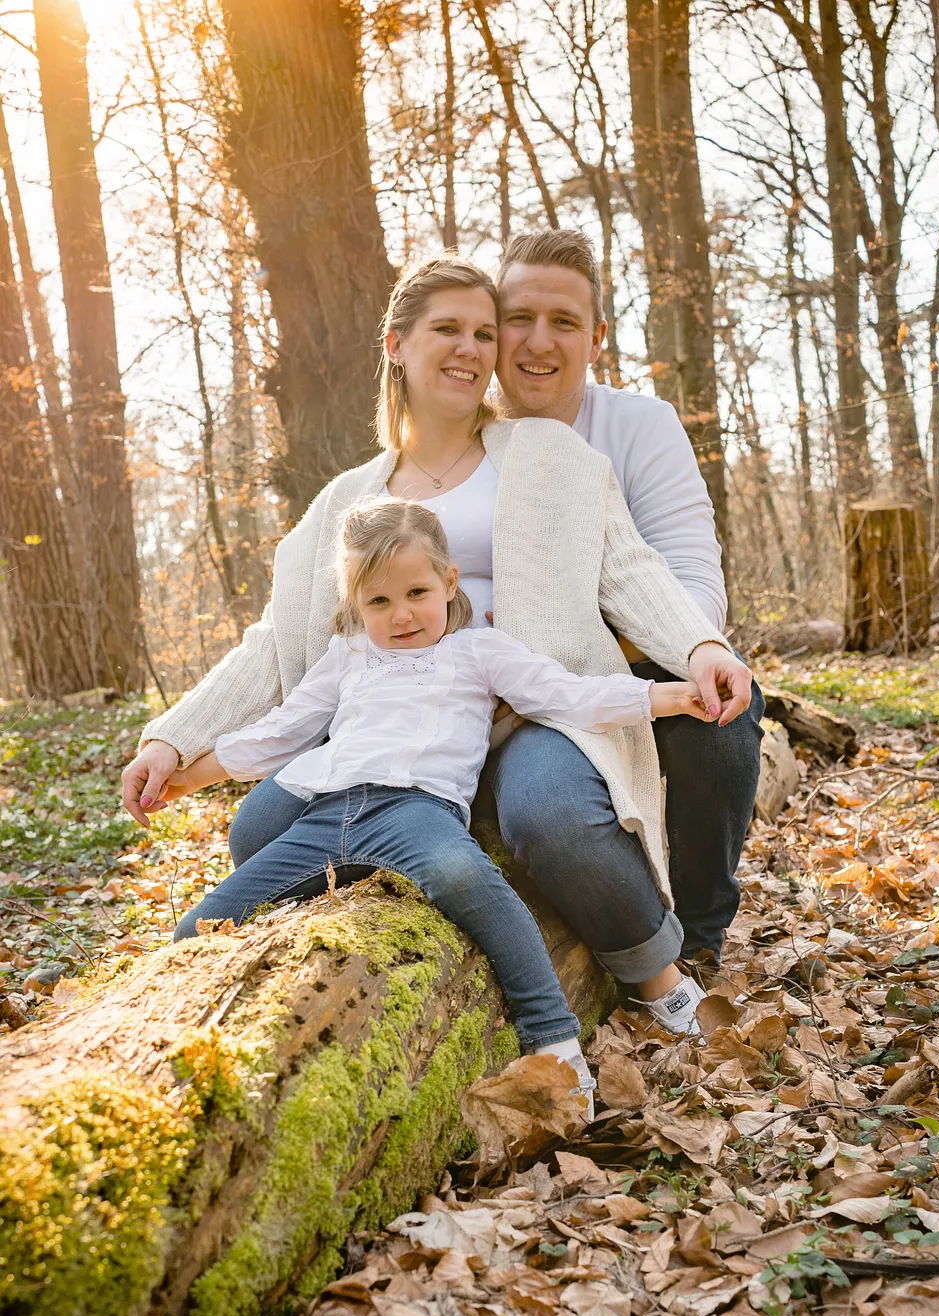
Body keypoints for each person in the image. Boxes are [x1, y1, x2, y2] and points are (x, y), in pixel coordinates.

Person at [121, 255, 744, 1036]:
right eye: (447, 328)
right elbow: (276, 642)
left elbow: (630, 568)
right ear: (395, 345)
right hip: (391, 729)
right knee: (256, 829)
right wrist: (173, 740)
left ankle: (658, 980)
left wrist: (698, 646)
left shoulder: (548, 453)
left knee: (549, 812)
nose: (472, 349)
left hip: (529, 711)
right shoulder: (348, 500)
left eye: (484, 332)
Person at [163, 501, 717, 1113]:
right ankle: (178, 1044)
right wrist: (193, 774)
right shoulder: (348, 655)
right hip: (327, 814)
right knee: (199, 928)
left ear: (449, 582)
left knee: (466, 878)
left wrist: (665, 697)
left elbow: (570, 697)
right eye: (378, 602)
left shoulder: (481, 652)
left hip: (417, 815)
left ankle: (555, 1041)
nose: (400, 615)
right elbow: (285, 730)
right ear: (354, 604)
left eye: (417, 592)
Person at [493, 229, 764, 981]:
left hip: (647, 665)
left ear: (596, 337)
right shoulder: (466, 432)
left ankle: (701, 930)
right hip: (526, 702)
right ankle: (630, 923)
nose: (538, 341)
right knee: (543, 804)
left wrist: (636, 661)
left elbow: (692, 579)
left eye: (564, 322)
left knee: (722, 720)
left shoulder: (639, 427)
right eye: (518, 317)